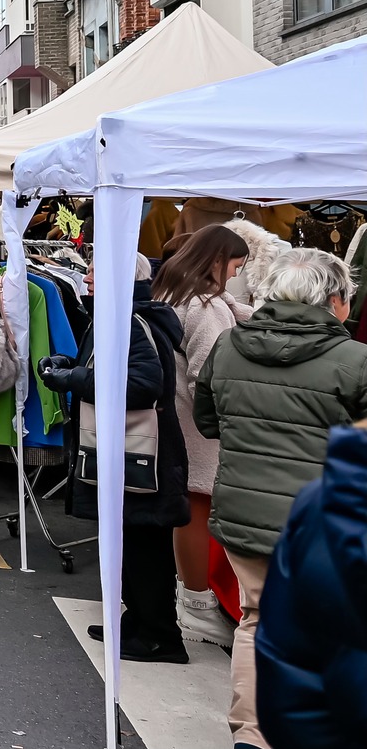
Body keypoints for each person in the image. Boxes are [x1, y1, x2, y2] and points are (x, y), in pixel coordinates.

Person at [197, 247, 367, 748]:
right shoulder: (355, 360)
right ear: (334, 300)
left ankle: (252, 734)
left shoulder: (228, 344)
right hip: (319, 520)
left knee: (258, 620)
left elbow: (210, 421)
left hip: (243, 510)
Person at [41, 263, 194, 664]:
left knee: (144, 544)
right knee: (135, 541)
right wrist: (72, 365)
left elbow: (142, 385)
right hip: (138, 451)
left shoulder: (128, 320)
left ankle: (158, 635)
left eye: (94, 271)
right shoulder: (126, 316)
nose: (86, 278)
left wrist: (73, 379)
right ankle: (142, 624)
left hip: (141, 453)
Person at [152, 223, 253, 649]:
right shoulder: (205, 305)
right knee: (198, 505)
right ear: (216, 259)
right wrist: (224, 422)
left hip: (172, 415)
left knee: (188, 505)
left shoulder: (172, 291)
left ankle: (191, 598)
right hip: (197, 422)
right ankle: (197, 604)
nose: (236, 274)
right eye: (235, 265)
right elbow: (207, 374)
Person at [255, 418, 367, 749]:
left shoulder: (323, 500)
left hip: (255, 496)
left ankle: (246, 733)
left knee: (256, 616)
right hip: (302, 487)